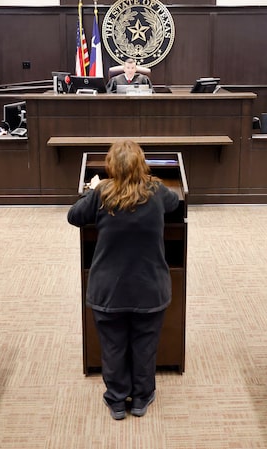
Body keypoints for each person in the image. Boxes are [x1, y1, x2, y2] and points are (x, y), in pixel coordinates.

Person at [67, 140, 179, 420]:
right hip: (149, 288)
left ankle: (117, 401)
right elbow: (175, 203)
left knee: (113, 346)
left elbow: (74, 217)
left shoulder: (102, 193)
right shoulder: (156, 191)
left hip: (109, 290)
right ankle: (141, 398)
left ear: (111, 166)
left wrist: (92, 190)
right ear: (142, 165)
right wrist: (150, 181)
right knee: (144, 345)